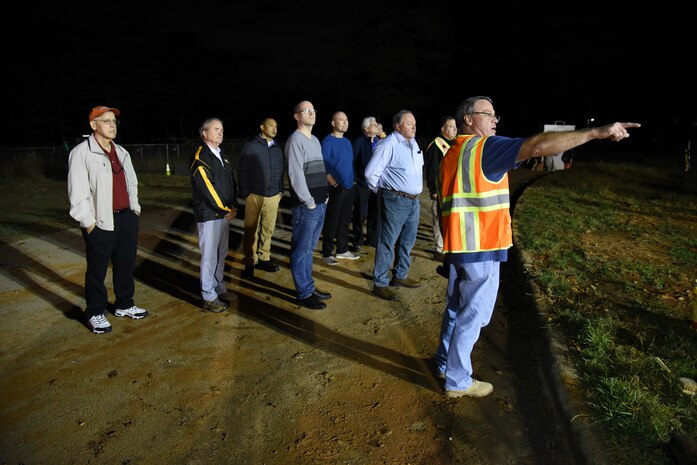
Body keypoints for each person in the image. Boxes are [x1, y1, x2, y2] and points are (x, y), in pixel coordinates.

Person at [435, 96, 640, 398]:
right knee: (473, 314)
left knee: (455, 308)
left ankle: (443, 363)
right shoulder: (484, 148)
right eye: (488, 114)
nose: (495, 120)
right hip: (481, 247)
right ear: (469, 120)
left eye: (495, 115)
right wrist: (594, 133)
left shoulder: (453, 153)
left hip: (458, 246)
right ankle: (457, 379)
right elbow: (537, 145)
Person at [67, 105, 149, 334]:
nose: (112, 125)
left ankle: (124, 304)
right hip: (100, 222)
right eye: (106, 121)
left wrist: (135, 209)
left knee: (125, 265)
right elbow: (78, 193)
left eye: (114, 121)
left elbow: (132, 183)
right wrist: (89, 223)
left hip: (126, 218)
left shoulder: (122, 152)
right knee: (97, 270)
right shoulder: (81, 153)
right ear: (93, 125)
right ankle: (95, 312)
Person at [365, 110, 424, 301]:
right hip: (395, 200)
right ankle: (380, 283)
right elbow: (370, 174)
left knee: (407, 240)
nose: (414, 126)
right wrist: (384, 193)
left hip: (414, 200)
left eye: (414, 123)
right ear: (398, 126)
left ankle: (400, 275)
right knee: (387, 241)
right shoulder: (388, 144)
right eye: (409, 123)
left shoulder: (413, 143)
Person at [286, 101, 333, 310]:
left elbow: (318, 170)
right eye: (306, 110)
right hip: (307, 206)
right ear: (297, 116)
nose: (311, 113)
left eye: (313, 110)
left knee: (309, 249)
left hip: (320, 203)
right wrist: (310, 201)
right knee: (301, 250)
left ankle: (309, 286)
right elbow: (296, 176)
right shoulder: (295, 140)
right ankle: (303, 293)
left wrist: (324, 196)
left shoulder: (314, 139)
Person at [190, 117, 239, 313]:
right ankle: (208, 294)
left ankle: (219, 286)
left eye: (222, 129)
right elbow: (208, 190)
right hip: (210, 215)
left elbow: (230, 184)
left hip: (224, 213)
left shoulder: (222, 155)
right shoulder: (200, 157)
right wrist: (227, 209)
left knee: (221, 253)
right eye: (216, 129)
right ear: (204, 134)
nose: (220, 132)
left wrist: (233, 206)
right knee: (209, 256)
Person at [237, 117, 285, 280]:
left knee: (268, 229)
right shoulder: (251, 146)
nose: (274, 128)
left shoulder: (277, 148)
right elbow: (242, 170)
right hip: (255, 194)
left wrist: (280, 191)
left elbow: (280, 171)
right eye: (271, 125)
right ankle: (250, 263)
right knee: (251, 230)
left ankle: (264, 258)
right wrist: (245, 193)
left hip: (273, 195)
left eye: (276, 126)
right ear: (262, 127)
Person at [321, 111, 360, 265]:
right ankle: (327, 252)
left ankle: (342, 249)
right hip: (336, 187)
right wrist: (331, 180)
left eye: (346, 120)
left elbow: (348, 164)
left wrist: (353, 181)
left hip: (350, 186)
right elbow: (323, 162)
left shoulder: (347, 142)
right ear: (333, 123)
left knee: (344, 220)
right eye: (341, 120)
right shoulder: (327, 141)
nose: (345, 122)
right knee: (332, 220)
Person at [423, 116, 457, 261]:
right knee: (439, 220)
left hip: (452, 190)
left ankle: (448, 247)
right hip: (441, 191)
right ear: (443, 129)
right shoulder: (436, 145)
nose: (454, 129)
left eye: (455, 126)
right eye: (450, 126)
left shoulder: (453, 144)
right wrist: (434, 190)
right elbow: (432, 170)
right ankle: (439, 250)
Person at [351, 116, 379, 251]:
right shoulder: (359, 142)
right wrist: (355, 180)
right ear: (366, 129)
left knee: (375, 213)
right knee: (359, 214)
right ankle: (357, 240)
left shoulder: (379, 141)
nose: (377, 126)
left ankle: (372, 239)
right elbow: (352, 162)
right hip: (362, 184)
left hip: (377, 185)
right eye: (374, 124)